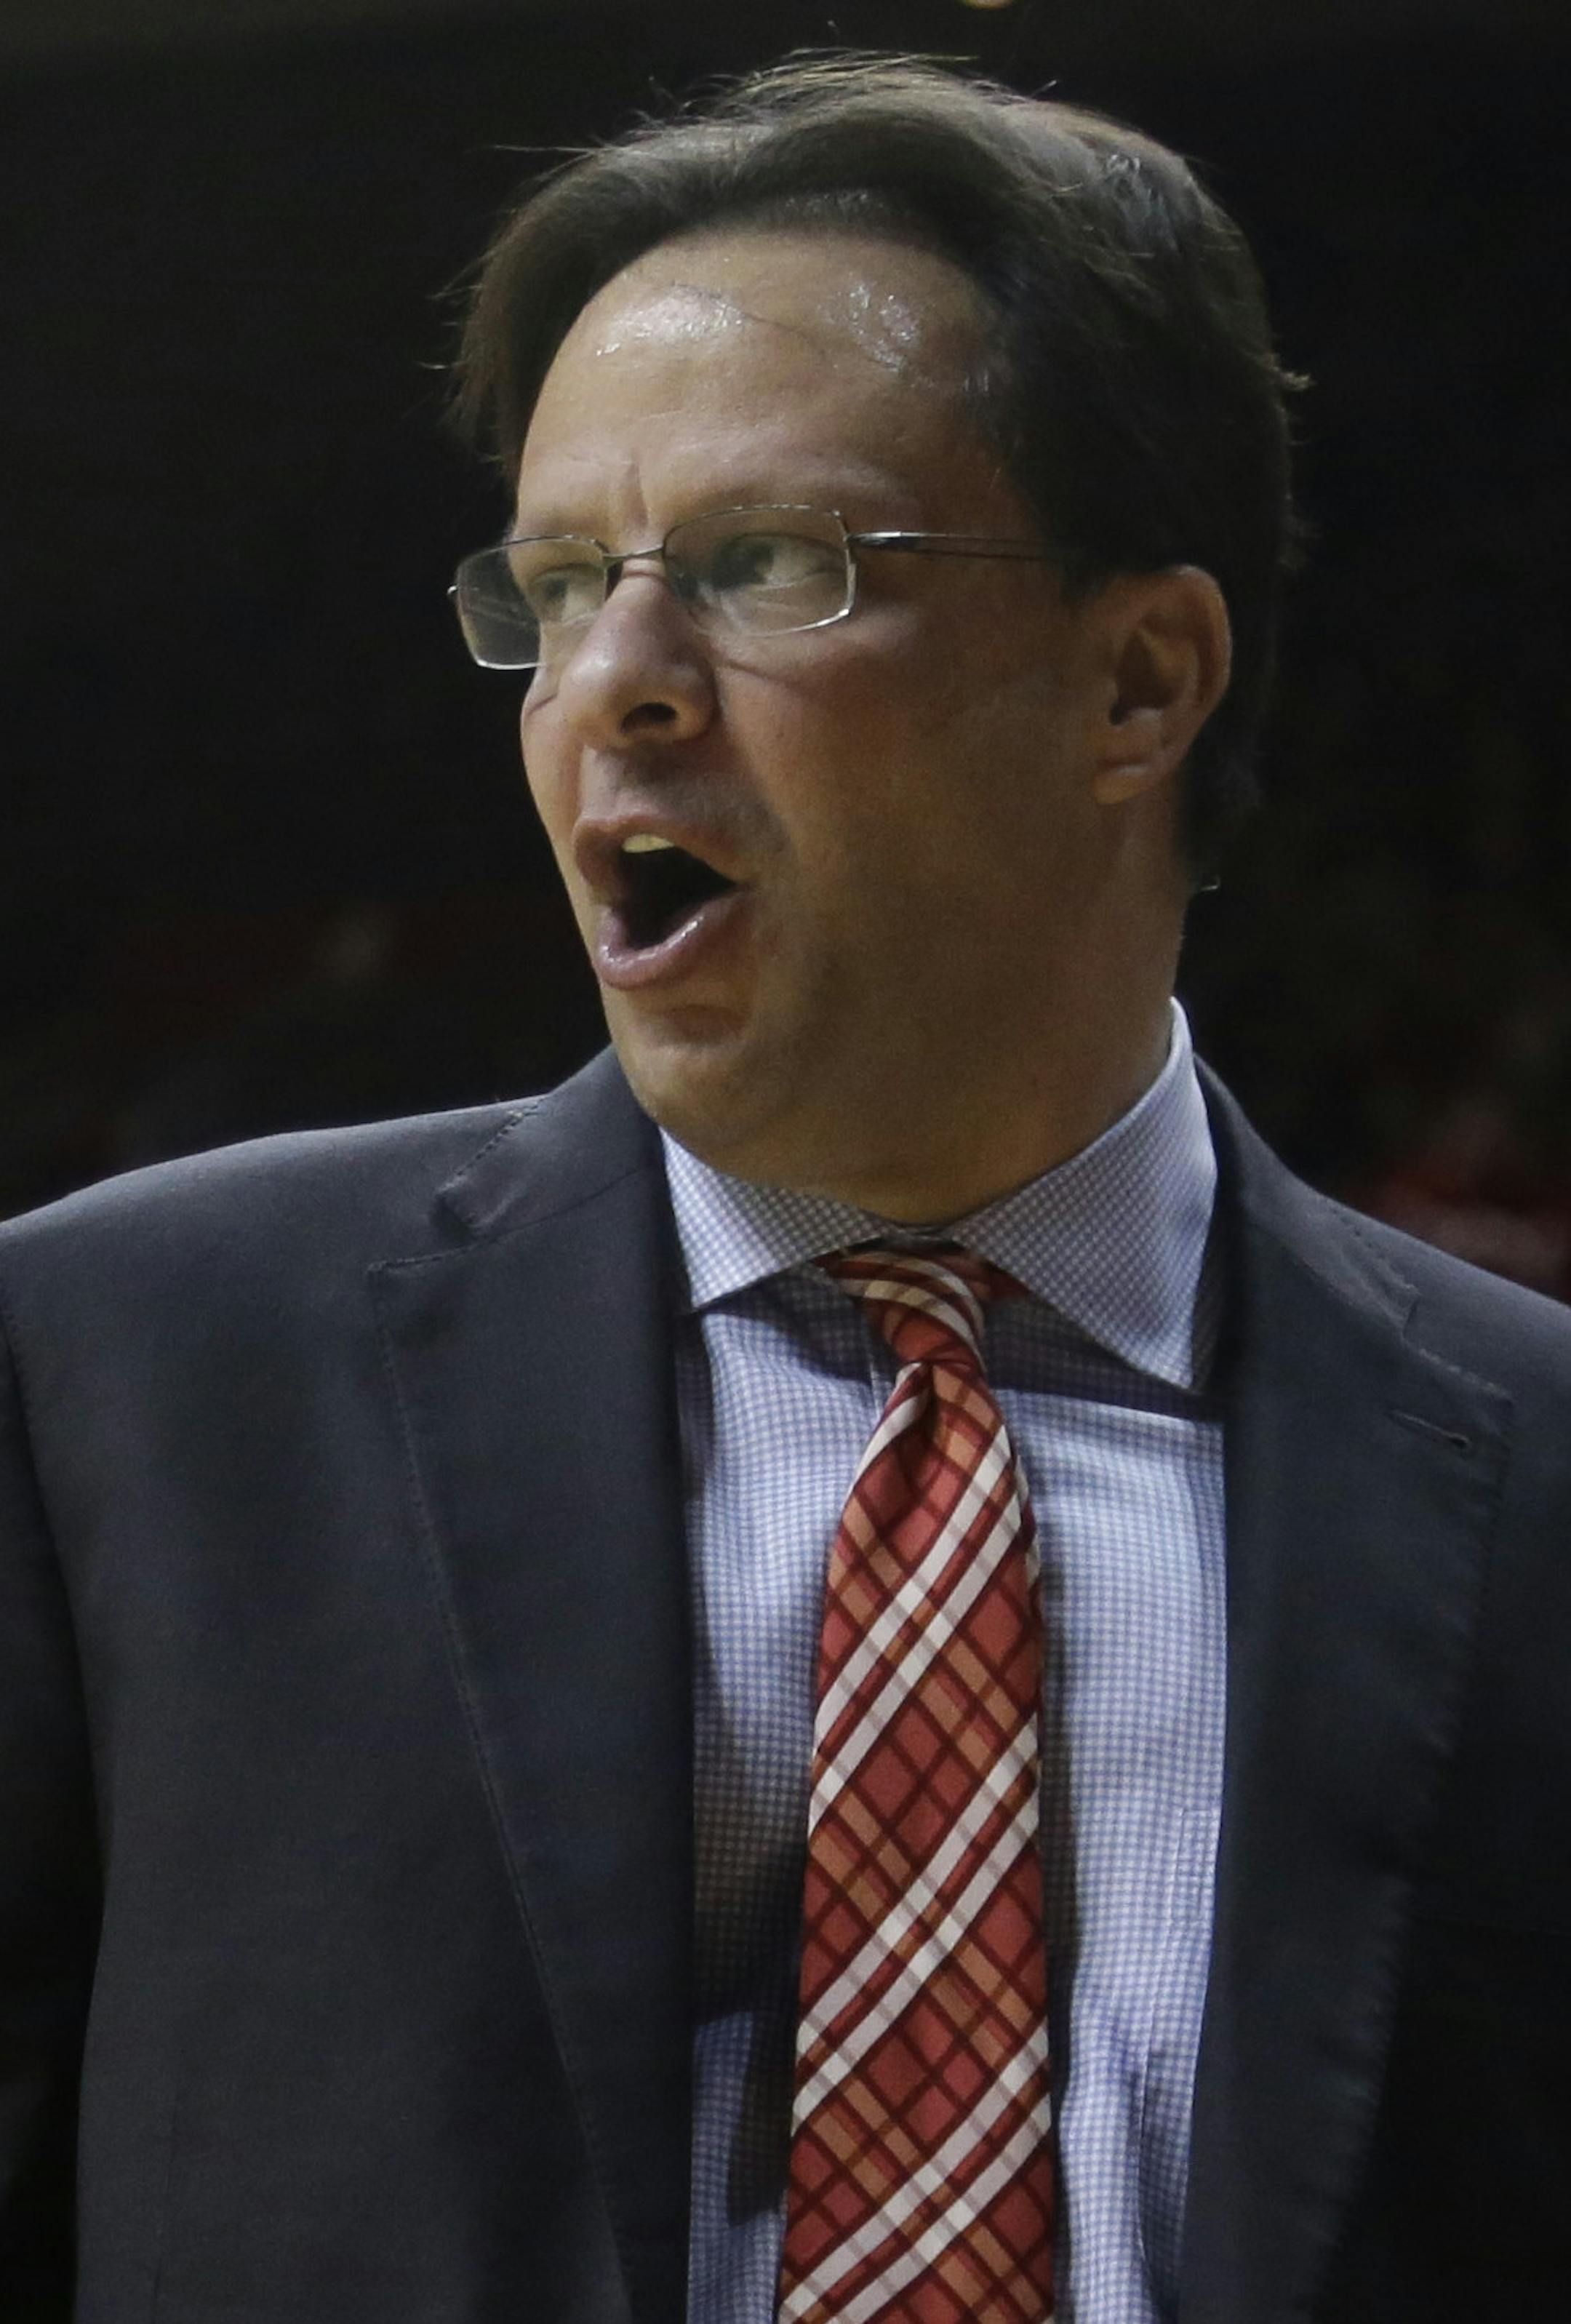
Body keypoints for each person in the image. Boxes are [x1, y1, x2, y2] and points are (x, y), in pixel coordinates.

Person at [2, 53, 1568, 2324]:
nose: (614, 684)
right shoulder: (116, 1380)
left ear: (1140, 682)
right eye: (561, 585)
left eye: (766, 566)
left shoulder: (1535, 1478)